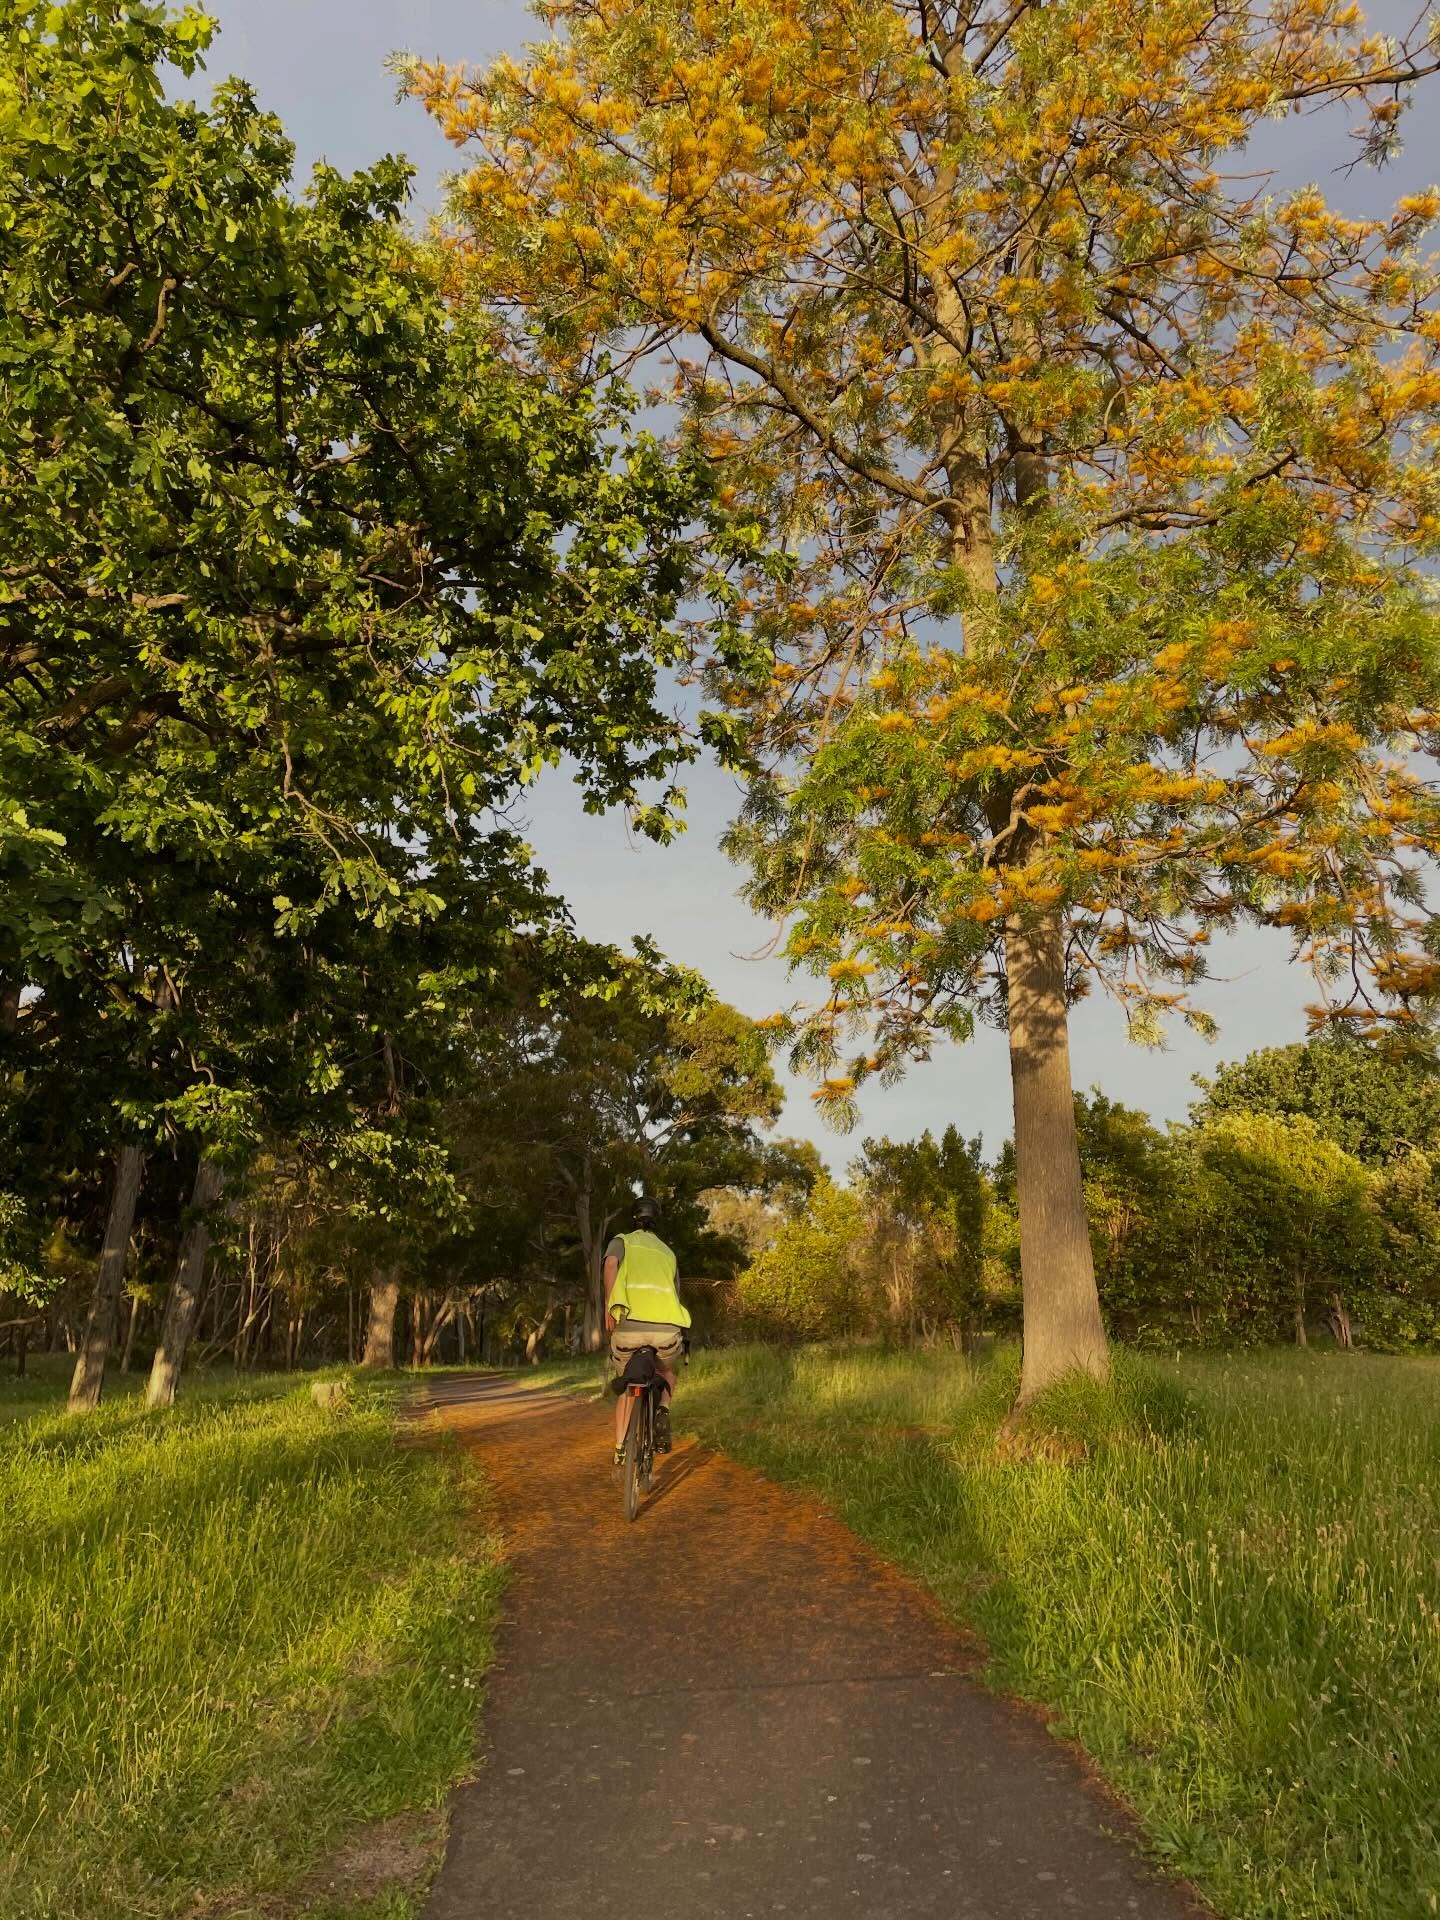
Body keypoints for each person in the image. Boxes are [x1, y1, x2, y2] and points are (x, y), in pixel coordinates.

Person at [605, 1194, 690, 1467]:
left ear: (634, 1217)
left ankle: (620, 1448)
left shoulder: (622, 1241)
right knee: (666, 1373)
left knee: (629, 1383)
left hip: (628, 1330)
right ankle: (663, 1408)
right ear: (657, 1220)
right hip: (666, 1332)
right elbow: (675, 1294)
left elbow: (609, 1265)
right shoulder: (668, 1252)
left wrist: (610, 1307)